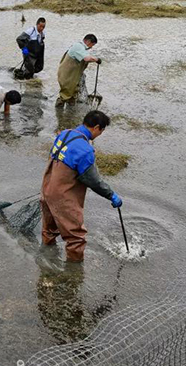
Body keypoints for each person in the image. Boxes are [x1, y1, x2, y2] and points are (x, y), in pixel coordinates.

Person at [40, 110, 122, 262]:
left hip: (47, 189)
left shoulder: (65, 133)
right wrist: (111, 195)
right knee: (76, 238)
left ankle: (45, 261)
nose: (100, 134)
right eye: (102, 131)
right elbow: (93, 181)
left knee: (49, 230)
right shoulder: (85, 150)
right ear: (97, 127)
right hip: (62, 197)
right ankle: (74, 275)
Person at [56, 34, 101, 108]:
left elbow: (85, 58)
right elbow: (86, 59)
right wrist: (97, 60)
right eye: (92, 45)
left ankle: (70, 110)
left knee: (73, 91)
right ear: (88, 41)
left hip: (72, 75)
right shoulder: (79, 47)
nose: (91, 47)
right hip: (67, 75)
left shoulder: (81, 48)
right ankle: (59, 112)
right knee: (66, 93)